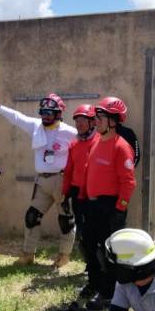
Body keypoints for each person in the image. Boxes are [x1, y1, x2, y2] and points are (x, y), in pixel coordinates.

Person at [0, 93, 76, 268]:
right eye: (43, 112)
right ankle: (28, 254)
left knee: (66, 220)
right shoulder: (36, 126)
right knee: (31, 217)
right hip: (42, 181)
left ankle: (63, 256)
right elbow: (17, 118)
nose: (45, 115)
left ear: (59, 114)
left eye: (50, 112)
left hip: (61, 181)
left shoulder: (70, 132)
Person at [77, 97, 136, 310]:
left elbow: (128, 182)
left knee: (109, 252)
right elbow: (88, 173)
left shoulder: (121, 147)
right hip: (93, 206)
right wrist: (83, 197)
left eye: (100, 117)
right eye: (96, 117)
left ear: (114, 120)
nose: (96, 121)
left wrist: (119, 209)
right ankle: (94, 284)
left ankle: (109, 293)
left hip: (110, 206)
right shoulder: (96, 143)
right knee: (88, 245)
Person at [61, 104, 98, 256]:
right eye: (77, 121)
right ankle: (89, 262)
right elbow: (68, 171)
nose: (79, 124)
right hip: (77, 193)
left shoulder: (100, 142)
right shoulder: (74, 145)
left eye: (83, 120)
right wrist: (65, 193)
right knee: (81, 228)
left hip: (95, 193)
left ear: (92, 122)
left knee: (95, 228)